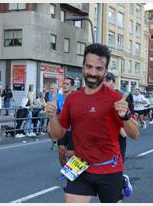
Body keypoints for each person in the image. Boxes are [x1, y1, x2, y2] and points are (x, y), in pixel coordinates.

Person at [45, 43, 140, 203]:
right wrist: (52, 117)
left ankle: (122, 180)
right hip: (79, 166)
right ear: (82, 67)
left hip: (109, 168)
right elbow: (58, 133)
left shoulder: (115, 98)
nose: (93, 73)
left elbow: (135, 135)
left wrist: (125, 116)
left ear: (105, 70)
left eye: (99, 68)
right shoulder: (73, 99)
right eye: (89, 67)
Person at [104, 71, 134, 198]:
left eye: (106, 80)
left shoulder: (118, 96)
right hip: (99, 137)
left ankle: (121, 183)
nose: (104, 83)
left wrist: (122, 126)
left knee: (115, 167)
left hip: (117, 137)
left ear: (112, 82)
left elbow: (128, 115)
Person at [57, 77, 75, 167]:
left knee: (71, 154)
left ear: (71, 86)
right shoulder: (58, 97)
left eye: (67, 84)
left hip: (74, 130)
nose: (64, 85)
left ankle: (73, 171)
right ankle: (66, 173)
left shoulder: (75, 98)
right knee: (61, 151)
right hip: (62, 128)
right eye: (64, 83)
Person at [48, 83, 65, 150]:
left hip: (58, 115)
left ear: (56, 89)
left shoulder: (60, 96)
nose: (51, 90)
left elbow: (61, 107)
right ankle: (54, 142)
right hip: (51, 115)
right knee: (49, 131)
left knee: (55, 130)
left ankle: (57, 142)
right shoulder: (50, 95)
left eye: (52, 88)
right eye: (50, 88)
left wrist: (56, 108)